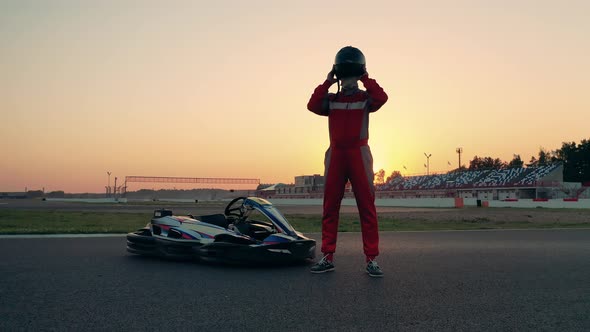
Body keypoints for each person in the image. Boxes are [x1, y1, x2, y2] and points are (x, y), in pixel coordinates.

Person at [307, 46, 388, 277]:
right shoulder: (331, 101)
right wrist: (327, 82)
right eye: (347, 78)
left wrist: (366, 77)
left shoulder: (366, 99)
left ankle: (372, 259)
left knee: (367, 207)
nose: (350, 82)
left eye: (355, 78)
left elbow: (382, 97)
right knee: (330, 207)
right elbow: (312, 105)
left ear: (359, 78)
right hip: (336, 155)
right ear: (341, 78)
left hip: (359, 154)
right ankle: (328, 256)